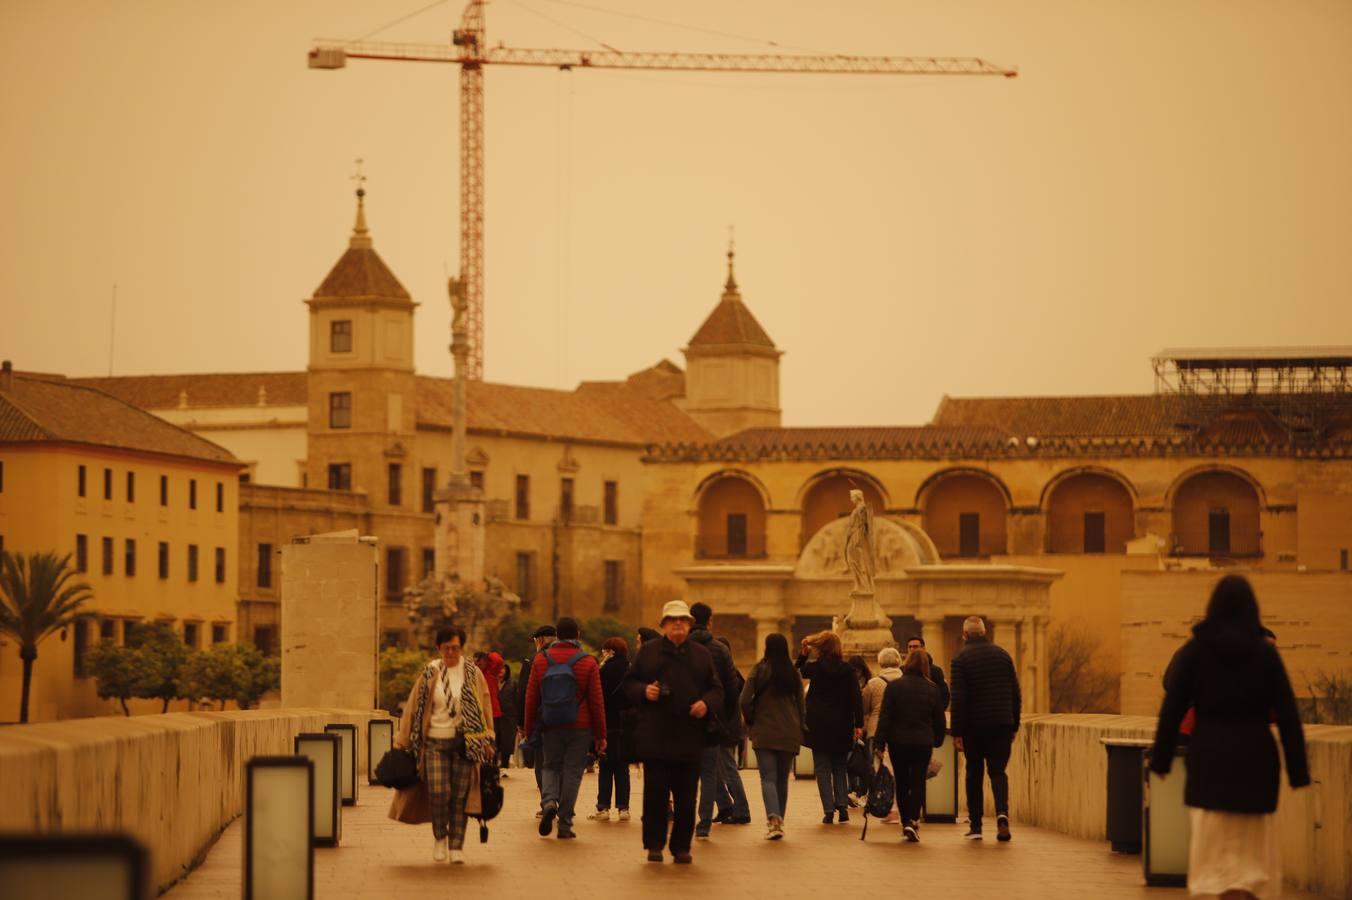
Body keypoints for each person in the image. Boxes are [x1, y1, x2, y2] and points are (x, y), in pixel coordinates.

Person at [1151, 575, 1308, 900]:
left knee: (1213, 855)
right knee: (1252, 858)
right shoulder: (1265, 655)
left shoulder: (1197, 651)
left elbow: (1173, 706)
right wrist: (1298, 770)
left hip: (1210, 763)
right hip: (1256, 765)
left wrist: (1162, 758)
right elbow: (1289, 714)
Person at [623, 600, 723, 864]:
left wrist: (706, 703)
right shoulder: (648, 652)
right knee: (655, 795)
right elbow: (629, 685)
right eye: (672, 620)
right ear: (664, 625)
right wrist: (644, 691)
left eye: (683, 620)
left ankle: (681, 847)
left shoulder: (701, 655)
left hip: (690, 737)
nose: (678, 624)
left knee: (687, 797)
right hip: (656, 736)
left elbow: (717, 689)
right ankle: (654, 844)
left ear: (689, 625)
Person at [391, 626, 497, 865]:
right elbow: (413, 707)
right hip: (434, 742)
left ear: (462, 648)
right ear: (439, 648)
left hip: (465, 744)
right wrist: (403, 739)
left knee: (460, 796)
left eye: (456, 648)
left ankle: (456, 846)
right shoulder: (430, 672)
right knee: (439, 792)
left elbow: (485, 706)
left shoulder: (472, 673)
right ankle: (440, 837)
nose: (451, 652)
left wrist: (488, 737)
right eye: (447, 648)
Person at [523, 617, 606, 840]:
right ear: (577, 635)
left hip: (550, 723)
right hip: (580, 725)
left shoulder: (541, 660)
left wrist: (529, 727)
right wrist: (600, 735)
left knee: (550, 766)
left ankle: (549, 801)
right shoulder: (588, 662)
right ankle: (565, 823)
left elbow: (531, 698)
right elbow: (597, 702)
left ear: (557, 635)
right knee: (572, 772)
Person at [950, 615, 1020, 842]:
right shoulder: (1003, 655)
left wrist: (957, 731)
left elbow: (958, 699)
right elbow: (1015, 693)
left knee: (974, 773)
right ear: (985, 632)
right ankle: (1002, 813)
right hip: (1001, 723)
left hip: (974, 727)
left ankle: (977, 825)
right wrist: (1014, 724)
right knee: (998, 772)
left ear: (965, 635)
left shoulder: (960, 659)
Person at [689, 602, 751, 837]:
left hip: (689, 718)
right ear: (710, 621)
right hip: (717, 719)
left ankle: (735, 808)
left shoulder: (682, 648)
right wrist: (722, 713)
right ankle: (712, 817)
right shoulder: (720, 649)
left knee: (694, 772)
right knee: (711, 770)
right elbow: (732, 688)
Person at [874, 649, 947, 842]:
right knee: (917, 782)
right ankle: (914, 818)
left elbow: (885, 717)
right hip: (922, 742)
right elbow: (939, 720)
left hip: (898, 742)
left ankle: (905, 820)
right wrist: (937, 739)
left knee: (903, 781)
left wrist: (879, 742)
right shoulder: (932, 689)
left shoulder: (895, 687)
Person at [739, 632, 805, 840]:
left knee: (768, 778)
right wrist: (800, 727)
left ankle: (773, 820)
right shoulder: (793, 672)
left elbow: (744, 699)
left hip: (765, 729)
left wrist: (751, 719)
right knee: (782, 780)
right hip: (789, 731)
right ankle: (779, 821)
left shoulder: (760, 669)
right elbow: (801, 705)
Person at [797, 630, 864, 824]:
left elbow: (798, 670)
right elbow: (855, 698)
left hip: (818, 724)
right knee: (840, 767)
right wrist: (858, 724)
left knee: (822, 768)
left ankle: (828, 810)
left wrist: (803, 653)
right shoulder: (847, 669)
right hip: (842, 723)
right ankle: (842, 806)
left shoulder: (815, 668)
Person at [589, 636, 634, 822]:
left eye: (605, 650)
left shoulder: (604, 670)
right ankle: (623, 809)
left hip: (607, 724)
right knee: (623, 768)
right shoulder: (632, 669)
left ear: (611, 652)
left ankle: (603, 808)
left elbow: (597, 697)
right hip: (625, 725)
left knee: (606, 766)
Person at [862, 646, 905, 824]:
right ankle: (902, 808)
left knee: (882, 771)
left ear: (880, 663)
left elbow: (865, 709)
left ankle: (890, 808)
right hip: (901, 730)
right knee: (899, 770)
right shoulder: (906, 679)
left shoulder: (873, 683)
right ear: (898, 661)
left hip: (877, 731)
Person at [516, 625, 556, 806]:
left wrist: (522, 722)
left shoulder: (532, 661)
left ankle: (547, 801)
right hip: (568, 719)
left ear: (539, 640)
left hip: (541, 720)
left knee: (542, 762)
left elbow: (524, 693)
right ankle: (561, 800)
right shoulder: (572, 659)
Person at [906, 635, 949, 710]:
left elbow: (944, 694)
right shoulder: (903, 670)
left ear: (923, 648)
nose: (912, 649)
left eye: (915, 646)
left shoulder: (935, 671)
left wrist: (937, 712)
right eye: (910, 647)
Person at [496, 662, 517, 771]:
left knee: (507, 744)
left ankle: (505, 767)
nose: (501, 671)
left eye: (503, 669)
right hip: (495, 718)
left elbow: (517, 702)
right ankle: (493, 769)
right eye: (499, 668)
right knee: (494, 744)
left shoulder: (512, 684)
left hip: (509, 719)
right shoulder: (491, 683)